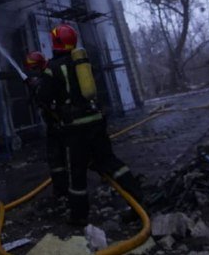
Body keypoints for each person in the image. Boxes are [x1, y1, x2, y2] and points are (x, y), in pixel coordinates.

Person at [33, 23, 144, 226]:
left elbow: (44, 98)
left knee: (77, 172)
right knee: (110, 162)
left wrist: (37, 88)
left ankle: (79, 216)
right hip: (96, 121)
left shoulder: (52, 68)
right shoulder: (82, 63)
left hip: (75, 129)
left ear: (56, 43)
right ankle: (139, 197)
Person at [23, 50, 68, 199]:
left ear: (40, 65)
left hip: (61, 123)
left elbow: (45, 96)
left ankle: (66, 189)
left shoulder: (49, 74)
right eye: (31, 69)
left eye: (34, 68)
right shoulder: (45, 75)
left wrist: (36, 88)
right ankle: (61, 190)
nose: (33, 72)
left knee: (67, 156)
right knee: (56, 159)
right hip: (55, 125)